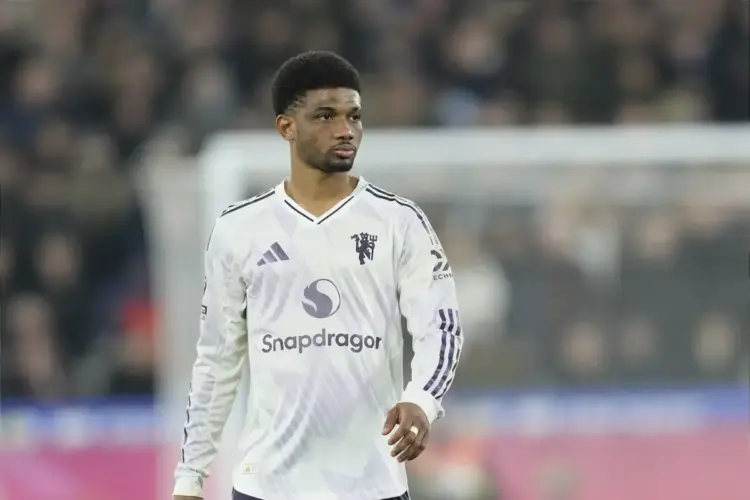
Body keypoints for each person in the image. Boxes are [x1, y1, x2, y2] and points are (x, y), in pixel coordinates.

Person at [173, 51, 464, 500]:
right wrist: (190, 477)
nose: (346, 130)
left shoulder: (399, 222)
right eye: (326, 116)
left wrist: (422, 399)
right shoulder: (240, 229)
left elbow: (441, 326)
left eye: (354, 116)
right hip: (266, 486)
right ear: (286, 127)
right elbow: (217, 358)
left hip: (371, 486)